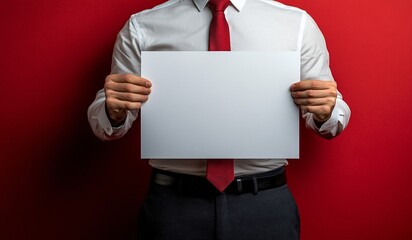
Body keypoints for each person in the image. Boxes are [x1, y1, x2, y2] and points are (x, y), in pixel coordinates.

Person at [88, 0, 351, 239]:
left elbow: (332, 118)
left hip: (264, 205)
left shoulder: (296, 24)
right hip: (173, 205)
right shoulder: (142, 27)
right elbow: (107, 125)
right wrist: (114, 111)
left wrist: (326, 110)